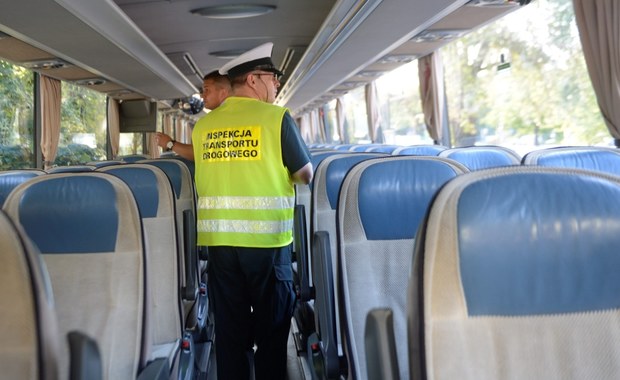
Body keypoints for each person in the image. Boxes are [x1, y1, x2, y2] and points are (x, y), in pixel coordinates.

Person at [192, 42, 313, 380]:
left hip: (218, 245)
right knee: (272, 334)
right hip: (266, 243)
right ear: (255, 79)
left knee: (229, 335)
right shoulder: (275, 119)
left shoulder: (203, 127)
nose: (276, 86)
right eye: (273, 78)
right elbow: (306, 173)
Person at [156, 70, 232, 160]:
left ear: (223, 93)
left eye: (206, 90)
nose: (202, 96)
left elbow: (200, 153)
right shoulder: (235, 116)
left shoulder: (213, 121)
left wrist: (170, 143)